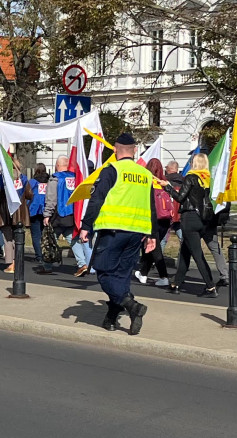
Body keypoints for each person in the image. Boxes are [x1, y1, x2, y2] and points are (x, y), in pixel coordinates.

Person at [82, 132, 155, 334]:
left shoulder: (111, 169)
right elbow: (152, 207)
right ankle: (112, 319)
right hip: (137, 232)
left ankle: (131, 305)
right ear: (134, 151)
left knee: (104, 271)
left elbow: (96, 200)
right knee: (122, 276)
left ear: (114, 150)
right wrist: (153, 234)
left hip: (113, 230)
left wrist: (86, 226)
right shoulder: (145, 174)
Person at [161, 152, 217, 296]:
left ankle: (210, 287)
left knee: (197, 255)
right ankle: (176, 284)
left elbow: (180, 197)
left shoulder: (191, 177)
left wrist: (167, 187)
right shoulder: (206, 178)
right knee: (186, 253)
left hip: (189, 218)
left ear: (195, 163)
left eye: (192, 161)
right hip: (201, 219)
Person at [36, 155, 91, 277]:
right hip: (72, 214)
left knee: (49, 239)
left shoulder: (55, 179)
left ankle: (47, 265)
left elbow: (51, 198)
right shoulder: (75, 177)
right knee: (73, 239)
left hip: (57, 214)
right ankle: (82, 264)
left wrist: (47, 214)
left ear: (58, 165)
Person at [0, 158, 34, 274]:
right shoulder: (23, 178)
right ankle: (18, 261)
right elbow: (30, 194)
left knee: (8, 237)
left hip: (5, 210)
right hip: (20, 210)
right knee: (19, 237)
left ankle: (10, 263)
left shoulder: (2, 178)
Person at [136, 158, 172, 288]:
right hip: (166, 219)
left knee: (154, 248)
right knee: (151, 246)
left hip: (153, 219)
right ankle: (143, 274)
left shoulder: (147, 182)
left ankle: (164, 277)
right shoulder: (164, 183)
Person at [28, 163, 49, 262]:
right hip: (46, 209)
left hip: (34, 209)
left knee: (36, 235)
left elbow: (27, 195)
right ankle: (46, 254)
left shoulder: (32, 182)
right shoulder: (49, 181)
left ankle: (39, 256)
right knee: (44, 234)